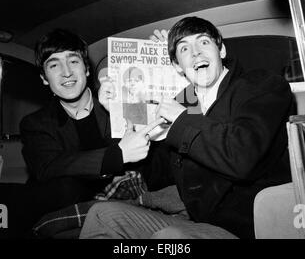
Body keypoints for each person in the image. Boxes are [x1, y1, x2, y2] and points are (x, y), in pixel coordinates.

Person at [79, 17, 295, 239]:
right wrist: (119, 115)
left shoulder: (260, 85)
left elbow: (242, 156)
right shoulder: (186, 102)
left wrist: (180, 118)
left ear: (221, 50)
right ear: (177, 66)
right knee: (101, 215)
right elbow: (157, 177)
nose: (195, 53)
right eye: (184, 48)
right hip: (200, 223)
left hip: (250, 227)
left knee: (170, 238)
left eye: (203, 42)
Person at [18, 28, 162, 235]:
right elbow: (49, 167)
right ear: (43, 78)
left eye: (73, 61)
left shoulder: (118, 100)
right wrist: (116, 155)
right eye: (54, 65)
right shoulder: (35, 123)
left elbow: (157, 129)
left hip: (126, 202)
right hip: (70, 205)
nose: (66, 72)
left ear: (86, 69)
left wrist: (169, 61)